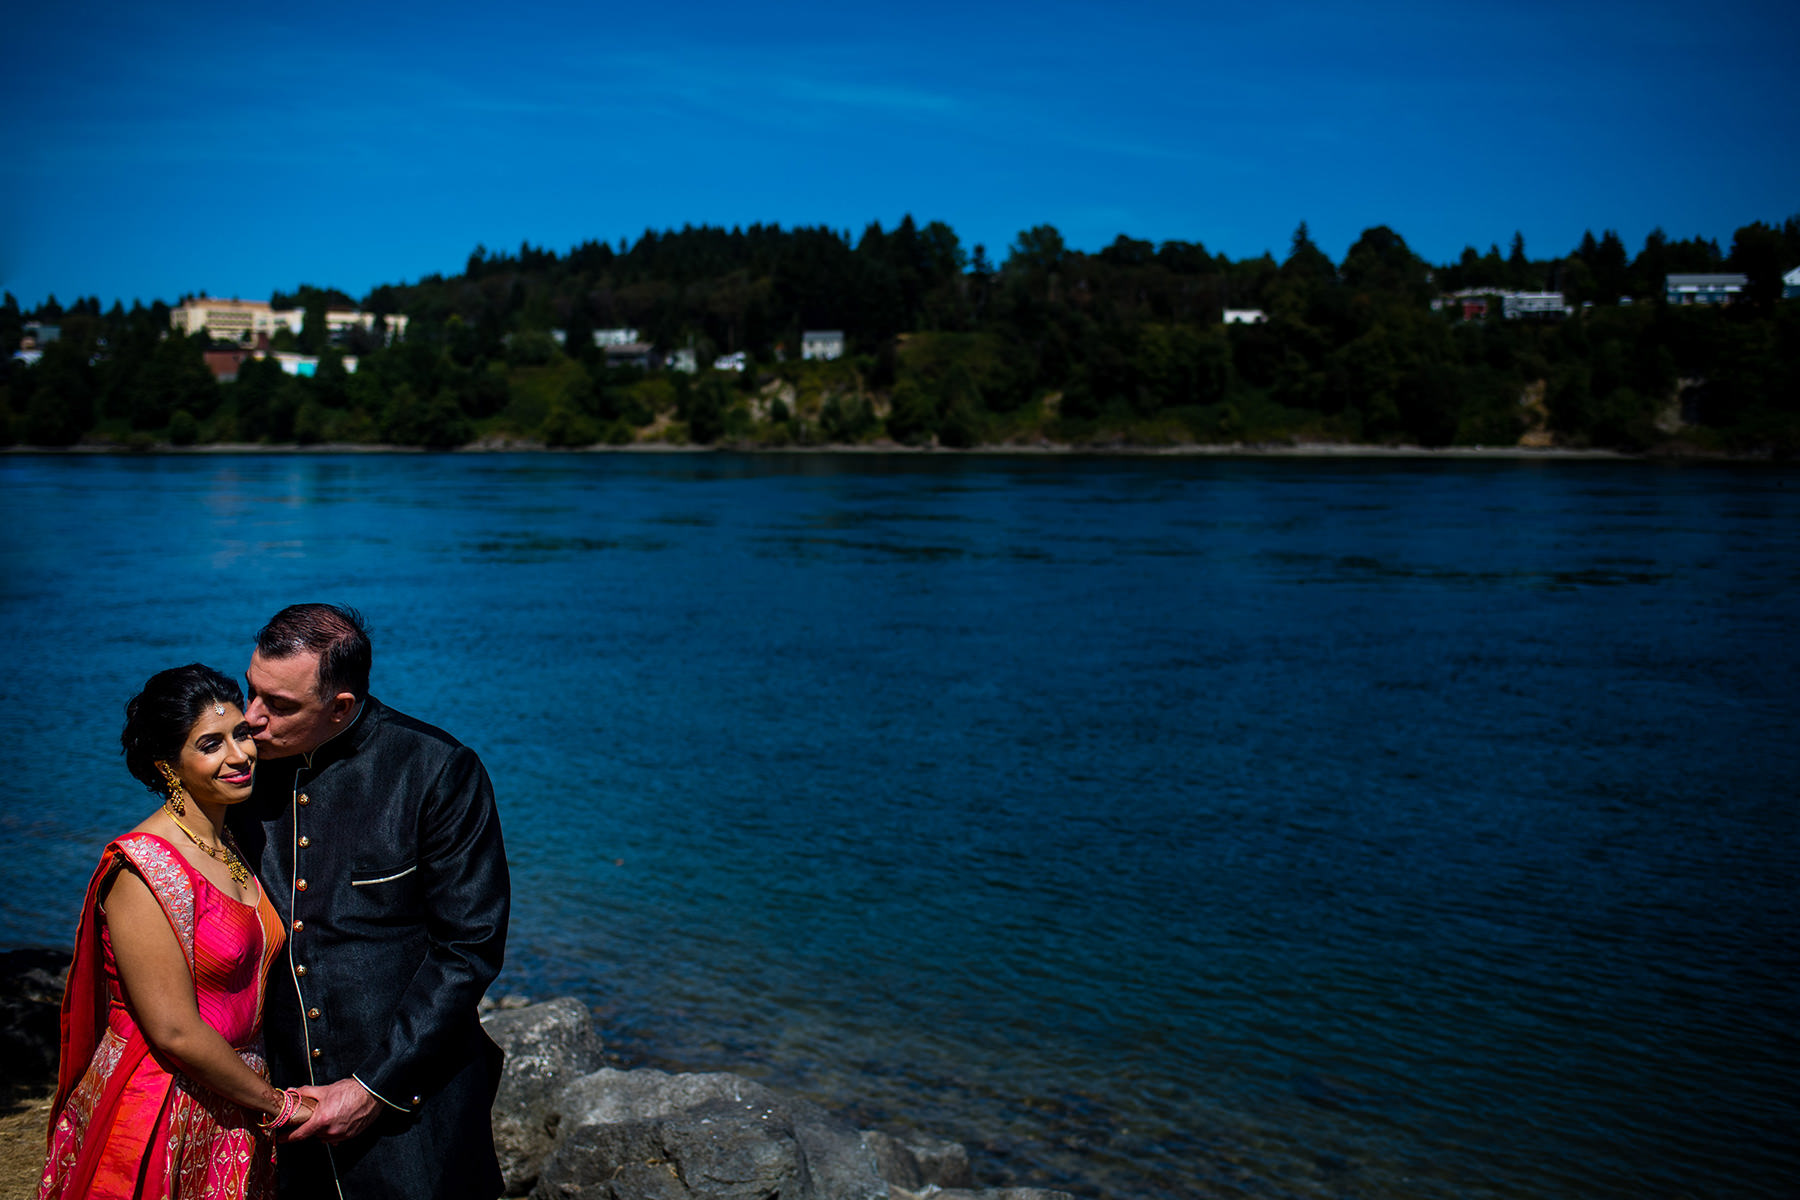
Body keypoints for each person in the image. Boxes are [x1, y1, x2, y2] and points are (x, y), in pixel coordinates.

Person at [228, 604, 509, 1199]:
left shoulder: (438, 771)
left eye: (279, 706)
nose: (251, 719)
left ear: (341, 708)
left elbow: (469, 949)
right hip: (282, 1104)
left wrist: (371, 1088)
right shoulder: (238, 773)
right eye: (251, 690)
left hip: (415, 1105)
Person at [40, 665, 315, 1200]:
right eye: (210, 744)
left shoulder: (230, 842)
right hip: (162, 1106)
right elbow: (173, 1030)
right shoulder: (143, 868)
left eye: (241, 733)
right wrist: (278, 1104)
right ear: (169, 765)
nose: (239, 755)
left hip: (235, 1098)